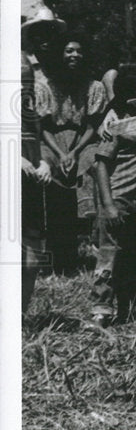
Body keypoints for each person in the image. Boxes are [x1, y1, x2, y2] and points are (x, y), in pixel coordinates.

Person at [91, 68, 136, 326]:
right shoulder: (117, 125)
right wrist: (108, 204)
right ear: (129, 96)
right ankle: (101, 308)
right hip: (118, 198)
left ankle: (127, 306)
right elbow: (100, 164)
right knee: (109, 254)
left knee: (133, 255)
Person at [36, 36, 107, 277]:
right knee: (50, 175)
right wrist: (61, 153)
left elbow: (93, 125)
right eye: (68, 51)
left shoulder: (94, 87)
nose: (74, 55)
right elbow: (42, 127)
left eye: (78, 51)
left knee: (94, 165)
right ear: (60, 55)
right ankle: (56, 255)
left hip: (83, 141)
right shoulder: (46, 86)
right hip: (53, 141)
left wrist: (75, 152)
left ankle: (96, 243)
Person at [21, 47, 52, 312]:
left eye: (27, 81)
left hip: (29, 189)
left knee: (31, 261)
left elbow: (39, 147)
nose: (23, 86)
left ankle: (19, 314)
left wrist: (43, 163)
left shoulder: (30, 114)